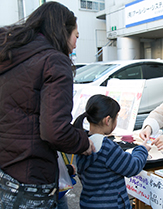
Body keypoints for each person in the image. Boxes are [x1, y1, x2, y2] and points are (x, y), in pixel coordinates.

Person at [0, 2, 94, 208]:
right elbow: (55, 131)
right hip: (31, 175)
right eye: (76, 36)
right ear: (63, 31)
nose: (76, 44)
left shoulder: (9, 56)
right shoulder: (54, 61)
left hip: (5, 171)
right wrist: (84, 142)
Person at [74, 94, 150, 209]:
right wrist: (142, 149)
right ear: (108, 120)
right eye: (116, 117)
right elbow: (133, 166)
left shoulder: (82, 142)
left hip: (89, 203)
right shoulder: (107, 147)